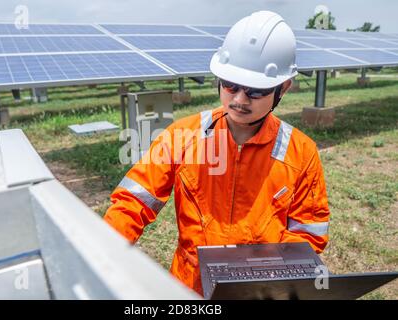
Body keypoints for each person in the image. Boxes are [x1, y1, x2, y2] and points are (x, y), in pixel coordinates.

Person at [104, 11, 330, 295]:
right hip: (189, 288)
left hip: (260, 290)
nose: (238, 100)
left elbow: (309, 233)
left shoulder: (301, 153)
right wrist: (101, 253)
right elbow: (132, 203)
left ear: (283, 88)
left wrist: (266, 276)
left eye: (255, 91)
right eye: (230, 85)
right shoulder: (181, 137)